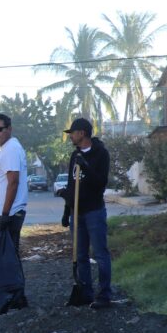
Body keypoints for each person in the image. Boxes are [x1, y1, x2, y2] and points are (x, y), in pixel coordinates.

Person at [57, 117, 112, 309]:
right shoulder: (75, 155)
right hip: (76, 212)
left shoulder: (101, 154)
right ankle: (86, 293)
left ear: (82, 133)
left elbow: (101, 183)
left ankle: (104, 295)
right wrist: (67, 212)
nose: (70, 136)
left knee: (100, 253)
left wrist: (86, 166)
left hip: (94, 211)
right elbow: (71, 186)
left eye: (72, 133)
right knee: (80, 255)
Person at [0, 113, 29, 254]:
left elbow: (13, 183)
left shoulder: (11, 149)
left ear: (9, 129)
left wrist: (5, 215)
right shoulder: (9, 148)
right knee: (4, 256)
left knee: (6, 257)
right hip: (6, 212)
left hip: (8, 213)